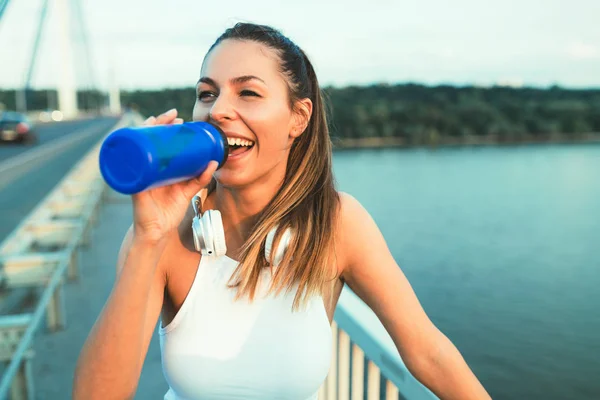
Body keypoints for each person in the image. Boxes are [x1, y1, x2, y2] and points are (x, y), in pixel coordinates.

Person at [73, 22, 491, 400]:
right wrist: (148, 238)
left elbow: (427, 352)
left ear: (298, 117)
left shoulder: (336, 224)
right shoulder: (163, 238)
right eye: (207, 93)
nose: (217, 109)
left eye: (248, 92)